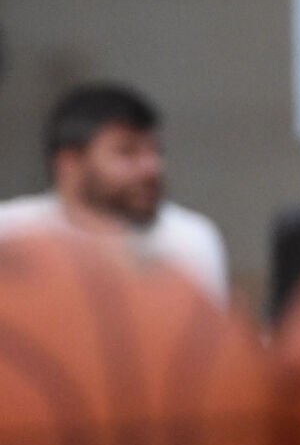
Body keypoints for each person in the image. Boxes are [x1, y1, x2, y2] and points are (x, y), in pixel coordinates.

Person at [0, 82, 229, 302]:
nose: (152, 167)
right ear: (68, 163)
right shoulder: (10, 233)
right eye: (127, 152)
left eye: (156, 151)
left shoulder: (188, 239)